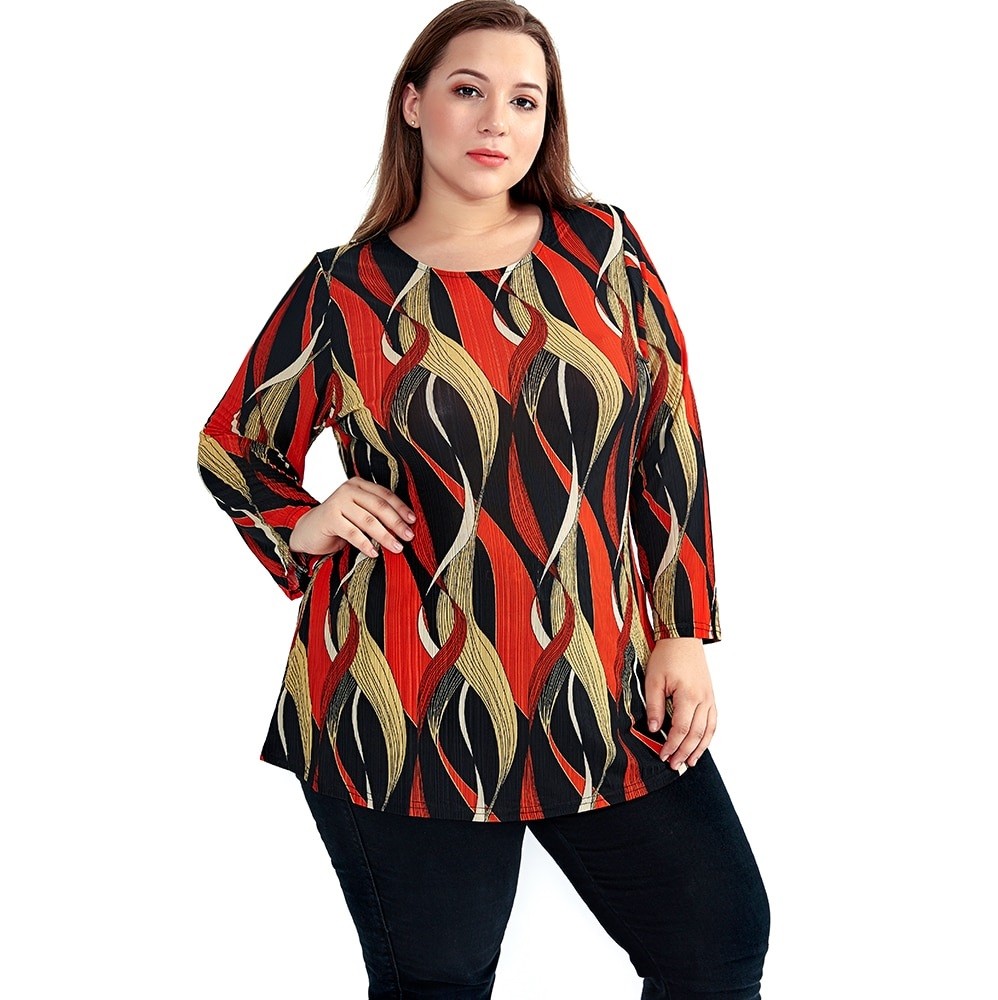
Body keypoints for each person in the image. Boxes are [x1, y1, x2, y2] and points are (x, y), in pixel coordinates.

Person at [196, 1, 770, 996]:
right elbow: (233, 444)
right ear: (413, 103)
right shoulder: (344, 291)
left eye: (524, 99)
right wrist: (305, 518)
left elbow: (668, 440)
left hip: (597, 678)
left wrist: (680, 632)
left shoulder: (602, 248)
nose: (496, 120)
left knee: (717, 940)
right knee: (439, 984)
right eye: (468, 90)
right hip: (398, 696)